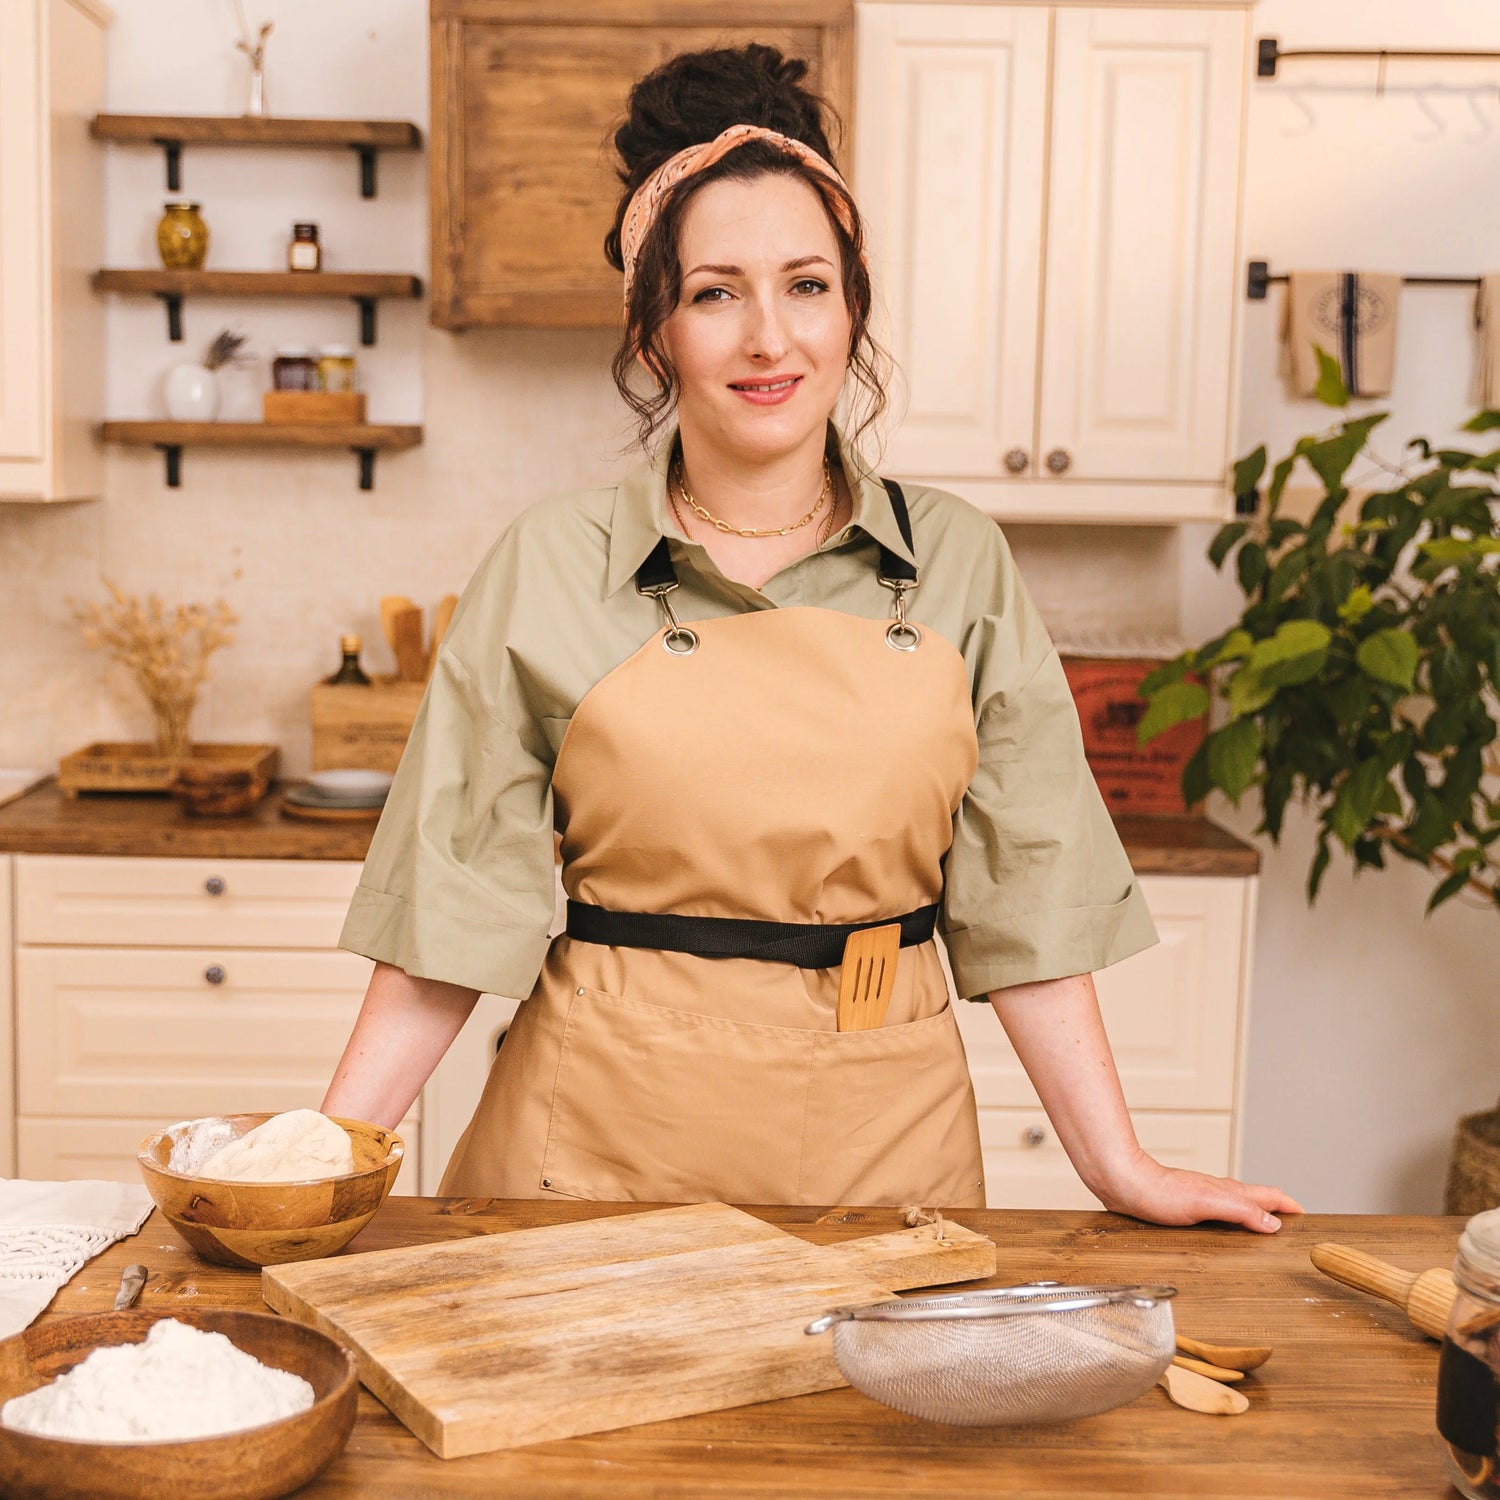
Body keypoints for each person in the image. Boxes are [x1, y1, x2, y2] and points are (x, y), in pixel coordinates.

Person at [322, 44, 1301, 1232]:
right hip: (585, 1154)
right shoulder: (549, 563)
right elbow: (448, 913)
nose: (768, 338)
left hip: (884, 1151)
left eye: (806, 285)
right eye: (714, 292)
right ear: (654, 335)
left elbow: (1029, 893)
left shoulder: (960, 563)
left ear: (853, 309)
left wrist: (1120, 1167)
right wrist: (321, 1164)